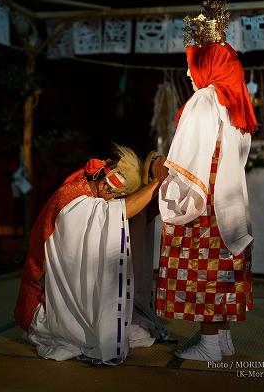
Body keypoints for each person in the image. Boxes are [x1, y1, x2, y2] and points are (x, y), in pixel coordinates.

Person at [155, 0, 258, 362]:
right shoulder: (234, 105)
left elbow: (187, 159)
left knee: (202, 268)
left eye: (192, 63)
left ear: (209, 64)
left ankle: (211, 342)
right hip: (228, 204)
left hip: (205, 205)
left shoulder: (205, 101)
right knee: (224, 268)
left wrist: (167, 185)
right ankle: (222, 339)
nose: (187, 72)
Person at [14, 144, 168, 364]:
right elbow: (120, 212)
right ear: (104, 172)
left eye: (120, 191)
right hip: (42, 302)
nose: (111, 191)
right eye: (113, 182)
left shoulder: (89, 190)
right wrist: (156, 183)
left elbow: (133, 213)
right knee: (97, 337)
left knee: (131, 328)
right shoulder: (74, 199)